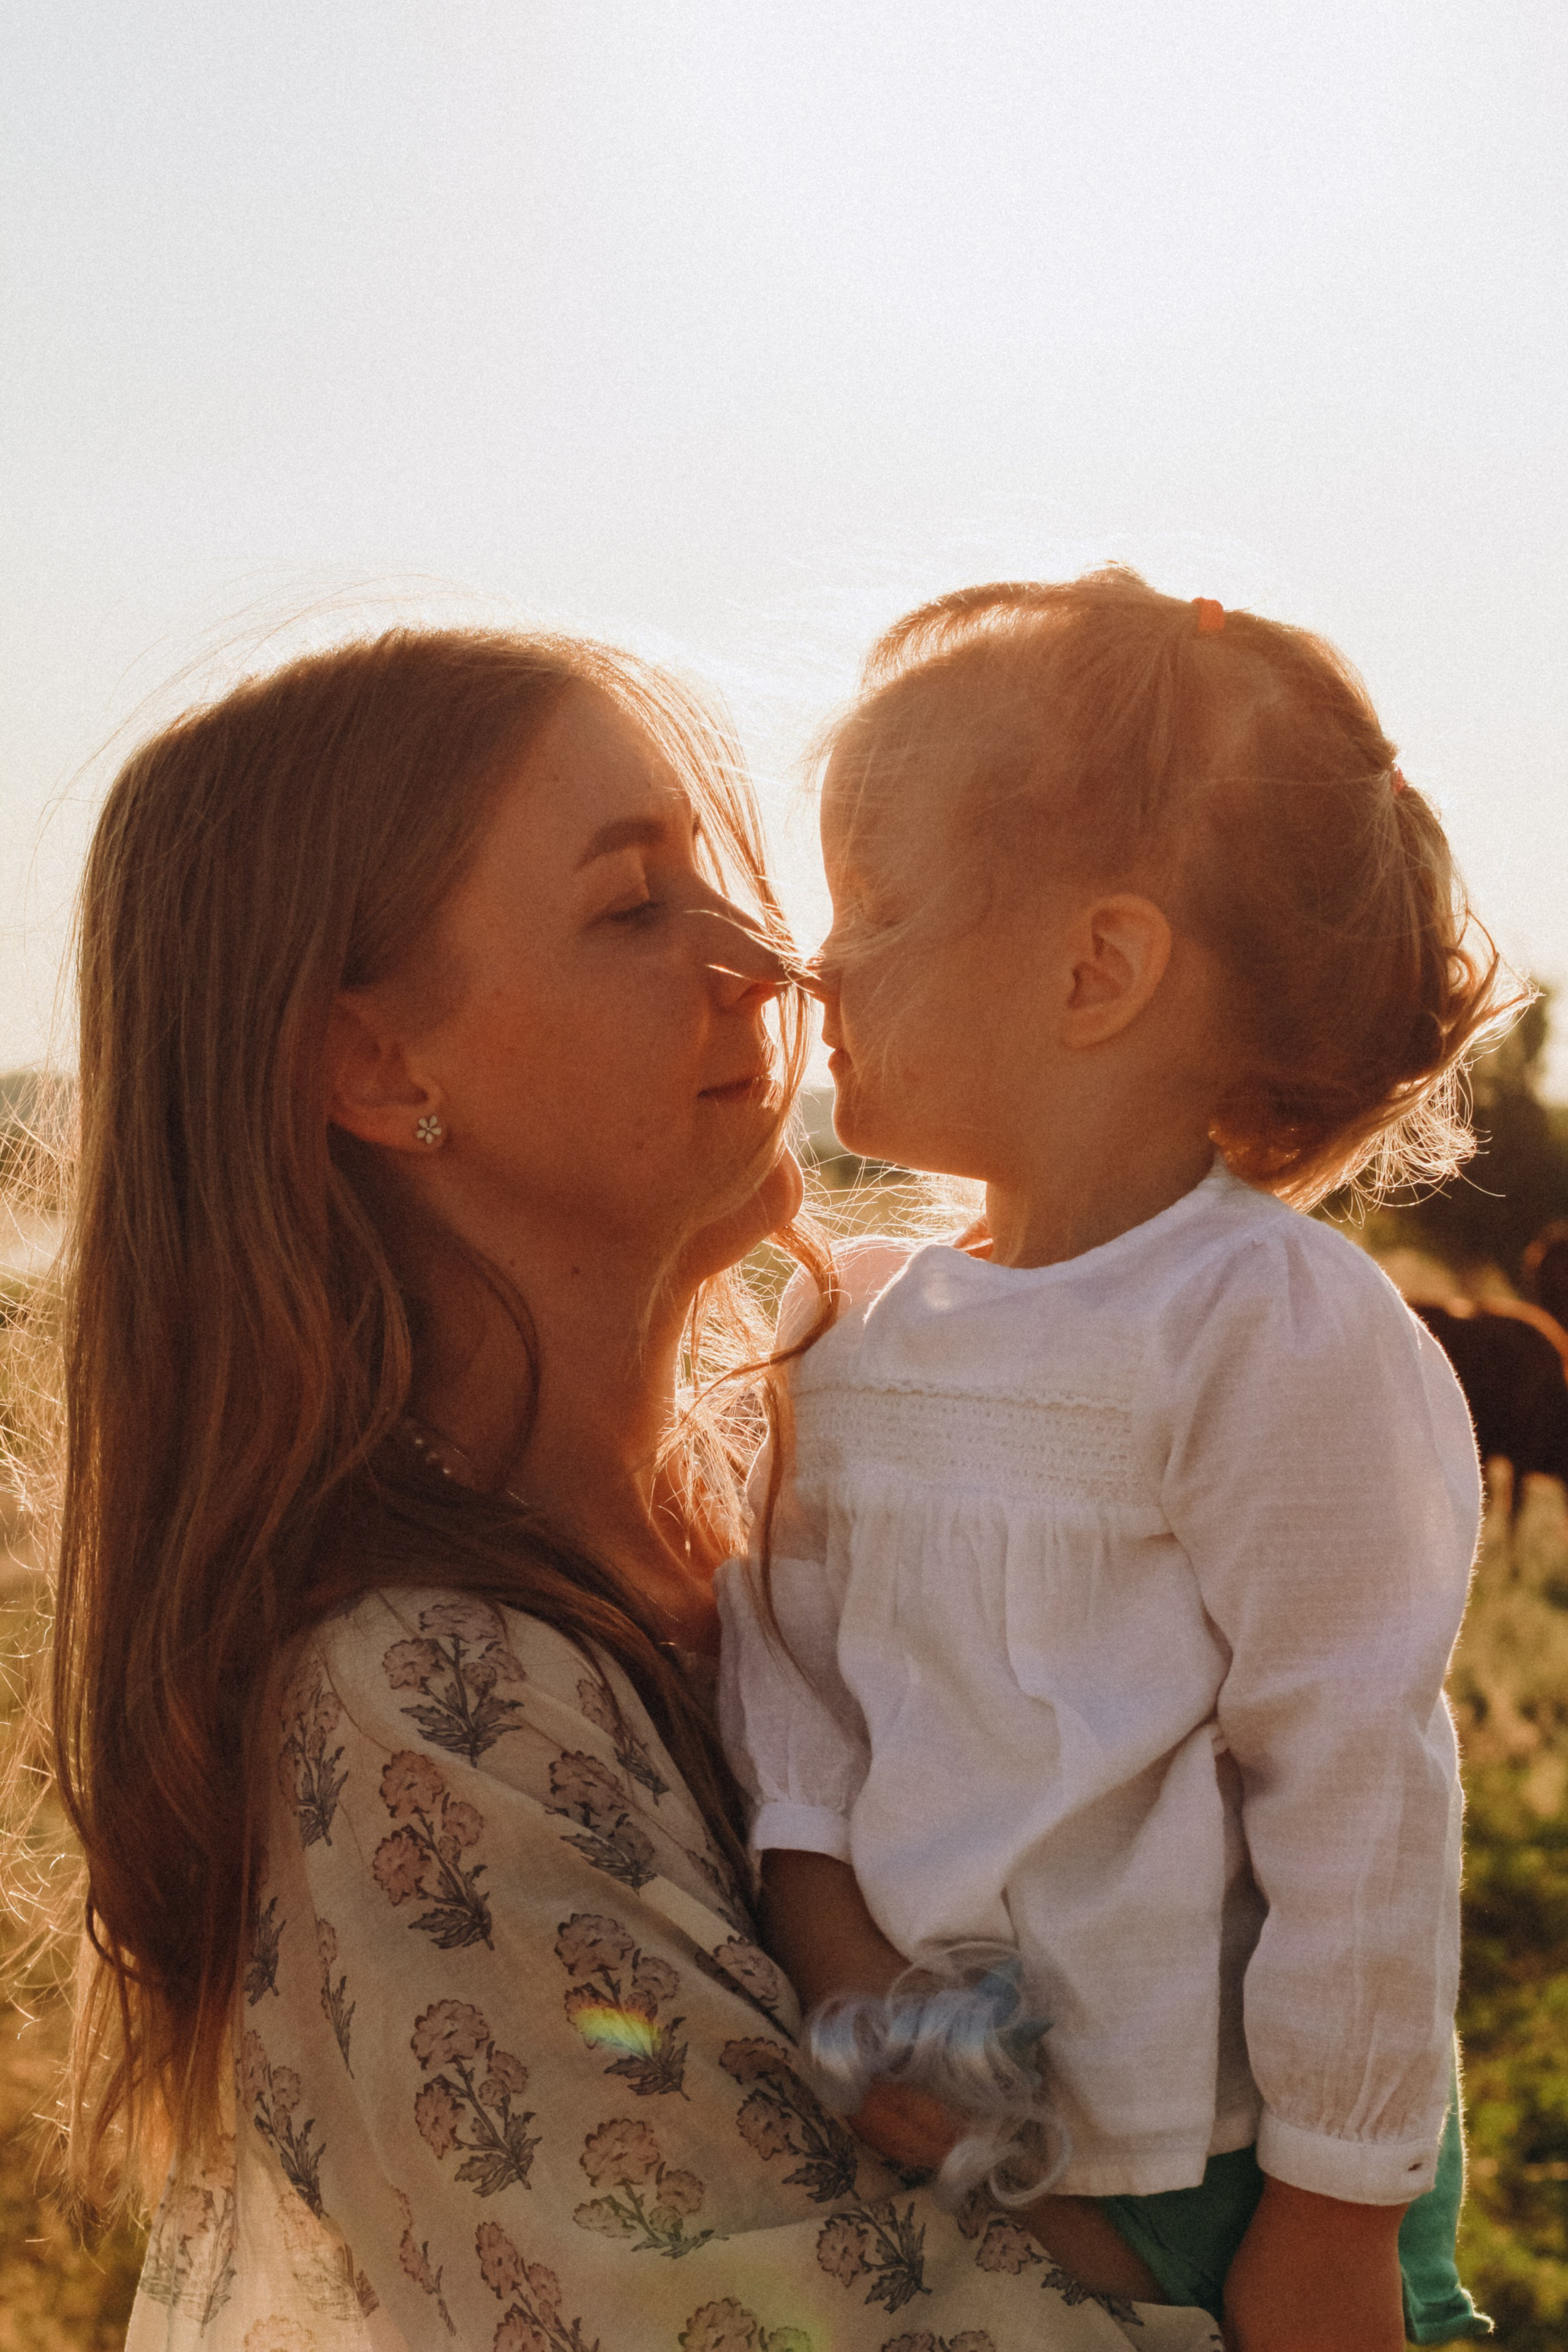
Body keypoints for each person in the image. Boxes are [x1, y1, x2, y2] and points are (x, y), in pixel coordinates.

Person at [51, 625, 1219, 2352]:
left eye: (722, 884)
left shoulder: (810, 1509)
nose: (765, 956)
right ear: (378, 1069)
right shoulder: (415, 1711)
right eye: (630, 905)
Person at [717, 571, 1504, 2349]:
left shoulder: (1263, 1322)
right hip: (942, 2110)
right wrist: (843, 1971)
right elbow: (798, 1691)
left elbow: (1357, 1788)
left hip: (1236, 2163)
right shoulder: (849, 1322)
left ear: (1098, 967)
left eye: (883, 909)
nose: (816, 966)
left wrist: (1328, 2214)